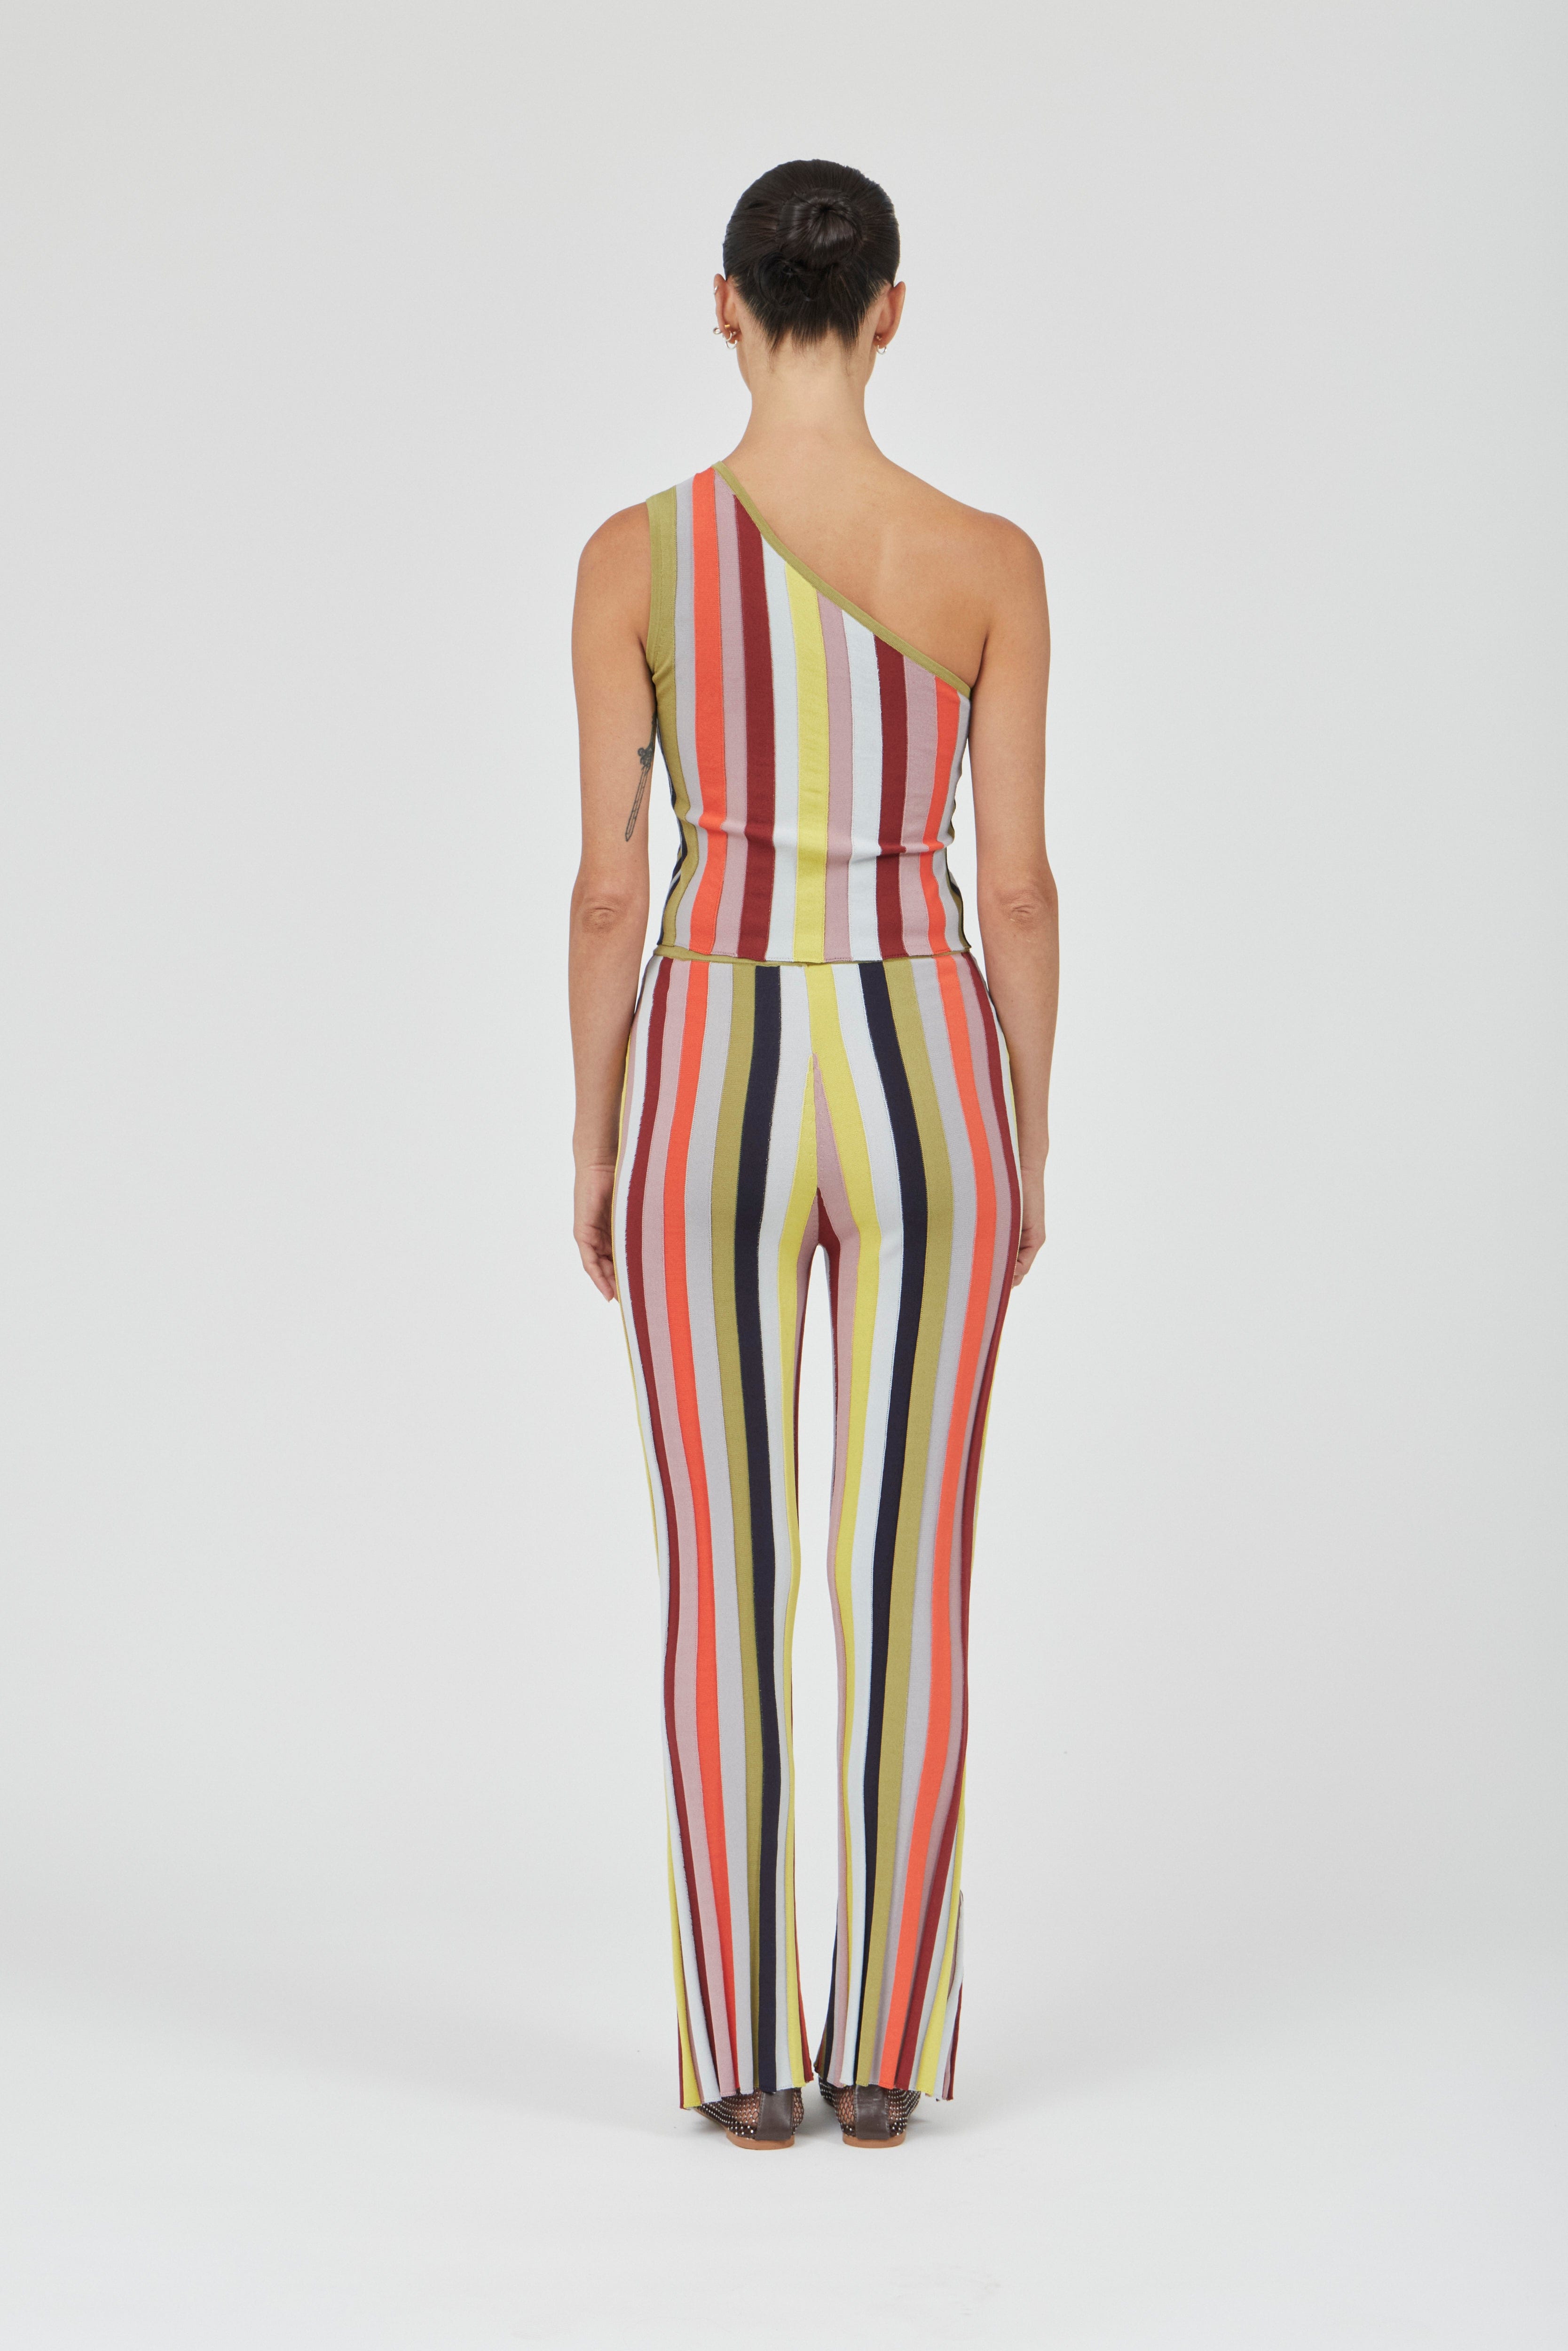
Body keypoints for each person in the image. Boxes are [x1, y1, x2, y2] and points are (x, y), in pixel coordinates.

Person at [568, 158, 1057, 2151]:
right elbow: (1014, 885)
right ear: (892, 310)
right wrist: (1033, 1123)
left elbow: (611, 888)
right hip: (929, 1048)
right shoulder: (990, 560)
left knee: (725, 1567)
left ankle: (742, 2052)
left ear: (723, 301)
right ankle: (889, 2049)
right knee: (909, 1564)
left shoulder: (634, 558)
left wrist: (593, 1131)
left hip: (710, 1051)